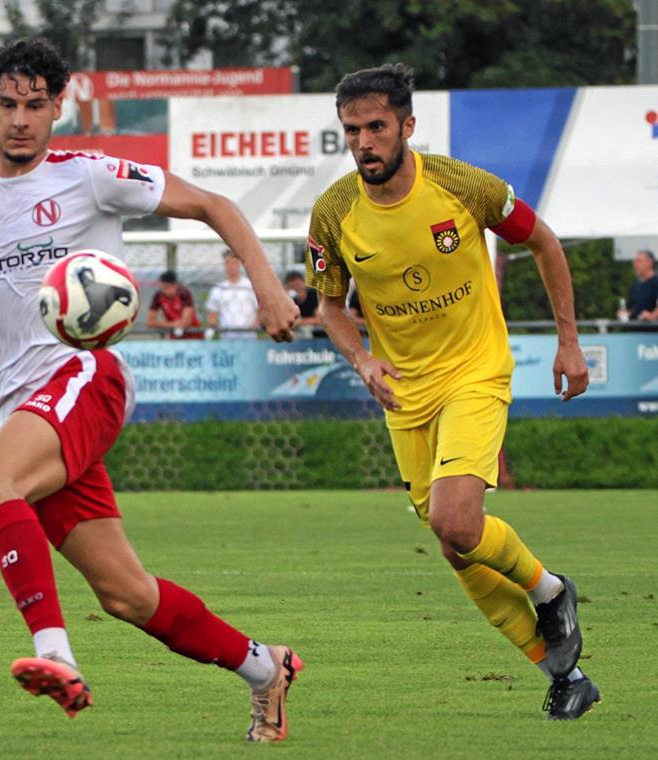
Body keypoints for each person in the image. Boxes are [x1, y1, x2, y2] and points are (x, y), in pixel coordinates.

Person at [0, 38, 303, 742]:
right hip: (24, 410)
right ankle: (265, 668)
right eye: (8, 105)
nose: (20, 119)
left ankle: (57, 656)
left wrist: (268, 289)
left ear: (59, 108)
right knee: (126, 595)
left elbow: (214, 204)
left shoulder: (88, 176)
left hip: (86, 375)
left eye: (36, 106)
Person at [306, 64, 598, 720]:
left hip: (475, 370)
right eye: (352, 130)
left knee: (455, 522)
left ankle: (552, 592)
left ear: (406, 127)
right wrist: (362, 359)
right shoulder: (333, 212)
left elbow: (544, 242)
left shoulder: (462, 187)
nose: (364, 142)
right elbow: (327, 306)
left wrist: (569, 340)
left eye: (377, 127)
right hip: (404, 394)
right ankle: (564, 673)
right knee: (454, 545)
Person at [205, 250, 259, 339]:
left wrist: (254, 327)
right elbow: (212, 315)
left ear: (240, 264)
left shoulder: (250, 286)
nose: (231, 266)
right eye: (227, 263)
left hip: (249, 336)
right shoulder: (218, 289)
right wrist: (212, 328)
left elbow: (260, 310)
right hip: (227, 337)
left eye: (234, 262)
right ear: (224, 265)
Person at [147, 270, 202, 339]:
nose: (165, 290)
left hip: (193, 335)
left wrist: (162, 324)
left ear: (175, 285)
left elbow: (186, 322)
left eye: (167, 287)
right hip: (174, 336)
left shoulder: (184, 293)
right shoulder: (159, 296)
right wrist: (173, 324)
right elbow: (150, 322)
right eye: (163, 287)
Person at [627, 249, 658, 321]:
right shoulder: (636, 286)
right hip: (636, 330)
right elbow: (634, 309)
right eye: (634, 261)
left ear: (649, 262)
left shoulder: (656, 283)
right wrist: (626, 313)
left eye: (639, 261)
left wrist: (652, 316)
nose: (635, 264)